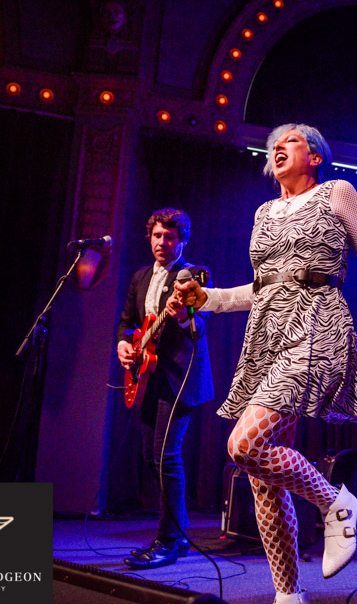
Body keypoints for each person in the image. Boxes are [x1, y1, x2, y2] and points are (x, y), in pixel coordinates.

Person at [171, 123, 357, 604]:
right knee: (262, 480)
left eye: (291, 140)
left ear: (315, 156)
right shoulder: (264, 211)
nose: (278, 146)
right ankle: (287, 596)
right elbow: (261, 288)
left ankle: (338, 503)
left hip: (317, 324)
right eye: (274, 142)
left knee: (244, 445)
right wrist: (207, 298)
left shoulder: (338, 192)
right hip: (267, 334)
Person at [116, 208, 214, 569]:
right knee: (150, 456)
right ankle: (180, 531)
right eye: (157, 236)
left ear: (182, 240)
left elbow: (199, 328)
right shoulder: (140, 277)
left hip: (181, 377)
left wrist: (184, 315)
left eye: (169, 237)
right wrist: (124, 345)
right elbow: (128, 323)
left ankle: (169, 540)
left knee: (165, 455)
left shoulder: (191, 276)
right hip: (147, 377)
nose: (162, 242)